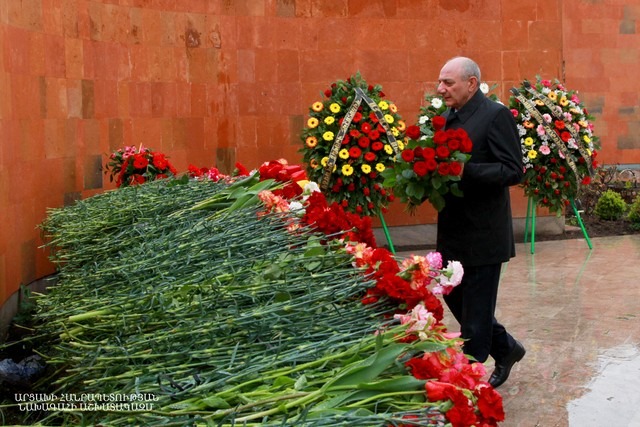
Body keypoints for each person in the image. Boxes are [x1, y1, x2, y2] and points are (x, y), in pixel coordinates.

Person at [435, 56, 525, 388]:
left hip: (485, 234)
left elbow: (513, 169)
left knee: (476, 313)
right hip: (453, 231)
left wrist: (465, 171)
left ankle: (468, 384)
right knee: (453, 295)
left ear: (471, 83)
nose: (441, 88)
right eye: (440, 82)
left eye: (448, 82)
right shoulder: (447, 118)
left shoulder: (496, 115)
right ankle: (507, 348)